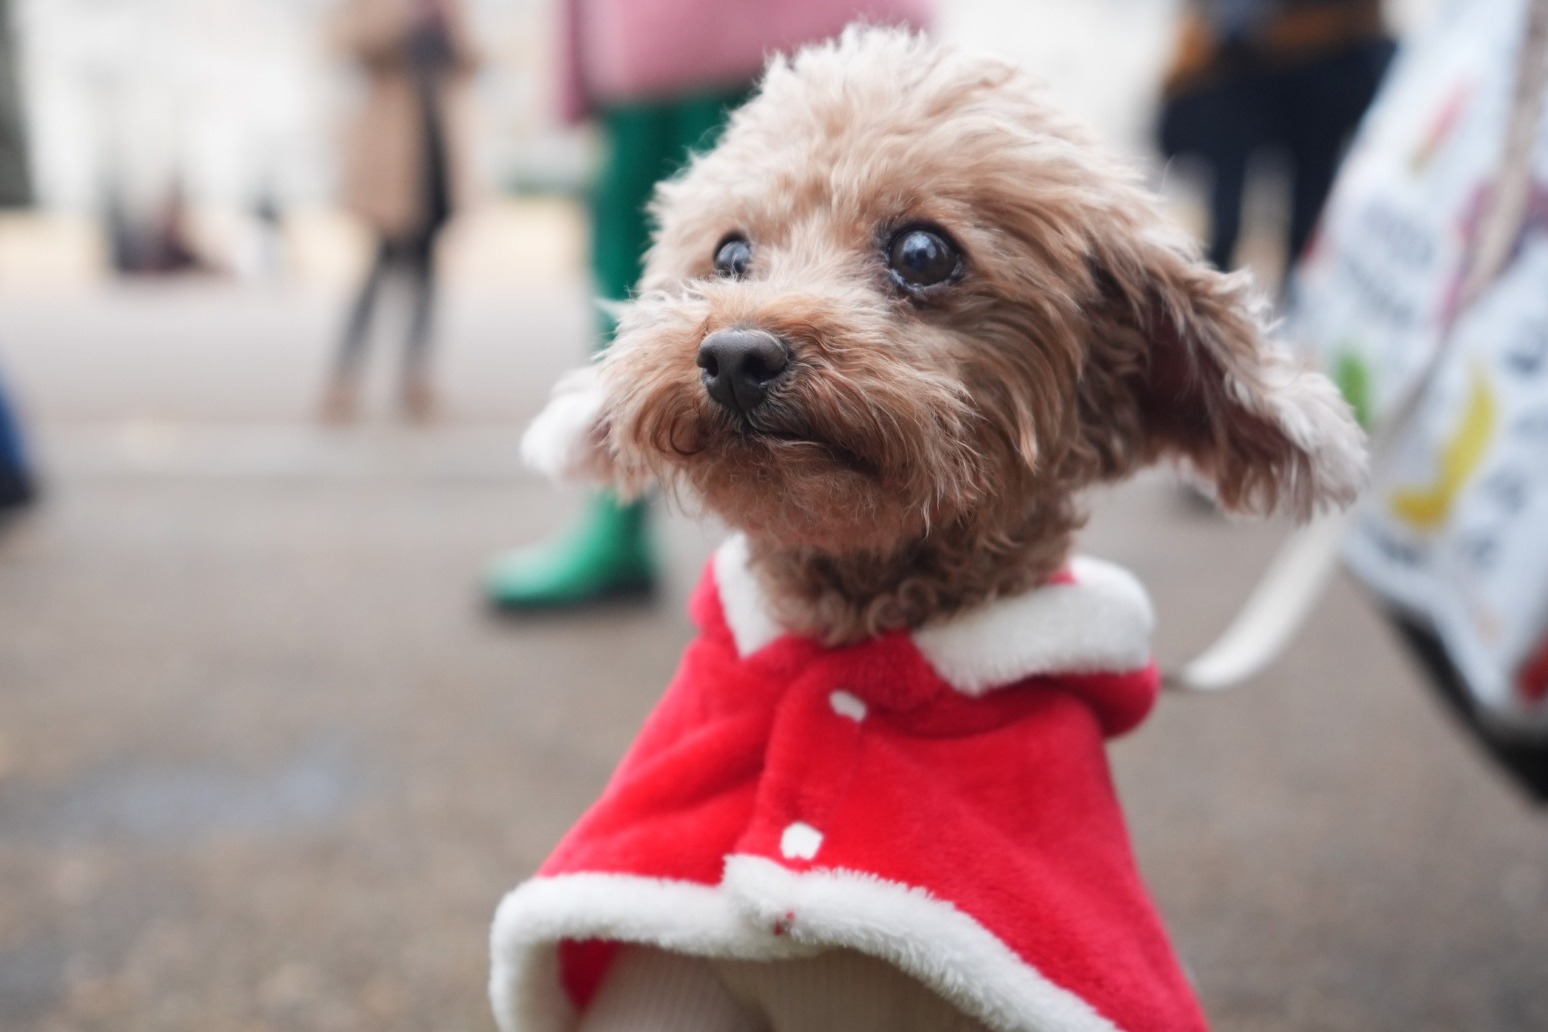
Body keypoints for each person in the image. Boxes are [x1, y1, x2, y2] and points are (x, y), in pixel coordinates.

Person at [486, 0, 933, 608]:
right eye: (734, 260)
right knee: (641, 271)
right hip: (633, 54)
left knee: (835, 222)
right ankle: (616, 506)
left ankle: (921, 545)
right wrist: (580, 71)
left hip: (779, 28)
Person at [322, 0, 480, 424]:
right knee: (377, 269)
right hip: (392, 156)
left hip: (435, 151)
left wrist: (449, 25)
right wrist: (406, 14)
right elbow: (346, 41)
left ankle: (417, 377)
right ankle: (343, 378)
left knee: (428, 272)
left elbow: (472, 61)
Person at [1158, 0, 1395, 271]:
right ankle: (1222, 276)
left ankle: (1278, 279)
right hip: (1251, 74)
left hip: (1321, 68)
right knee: (1235, 215)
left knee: (1306, 203)